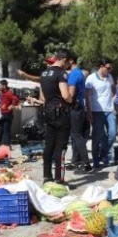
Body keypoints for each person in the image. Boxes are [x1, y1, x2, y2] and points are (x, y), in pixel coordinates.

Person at [39, 50, 73, 184]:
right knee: (60, 146)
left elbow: (42, 97)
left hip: (48, 111)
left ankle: (47, 176)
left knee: (49, 145)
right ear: (64, 60)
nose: (68, 65)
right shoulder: (61, 73)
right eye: (68, 62)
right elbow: (65, 95)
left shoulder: (44, 74)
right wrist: (71, 100)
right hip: (61, 112)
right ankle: (59, 178)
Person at [85, 58, 117, 168]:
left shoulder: (110, 77)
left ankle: (103, 154)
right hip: (96, 111)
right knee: (97, 136)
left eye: (110, 68)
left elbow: (113, 90)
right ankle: (96, 159)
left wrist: (113, 100)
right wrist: (89, 112)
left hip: (109, 110)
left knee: (112, 134)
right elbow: (87, 96)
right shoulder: (91, 78)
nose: (109, 70)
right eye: (108, 68)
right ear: (101, 66)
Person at [66, 57, 91, 173]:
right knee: (76, 135)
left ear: (71, 61)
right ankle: (75, 161)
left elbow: (70, 94)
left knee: (76, 136)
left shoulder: (74, 74)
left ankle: (85, 162)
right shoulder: (80, 73)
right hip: (80, 107)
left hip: (75, 107)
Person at [0, 79, 20, 148]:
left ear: (4, 86)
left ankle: (7, 147)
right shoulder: (3, 93)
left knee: (6, 131)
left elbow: (16, 99)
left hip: (7, 114)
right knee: (0, 131)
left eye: (0, 85)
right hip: (3, 114)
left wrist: (12, 105)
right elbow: (4, 103)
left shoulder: (9, 93)